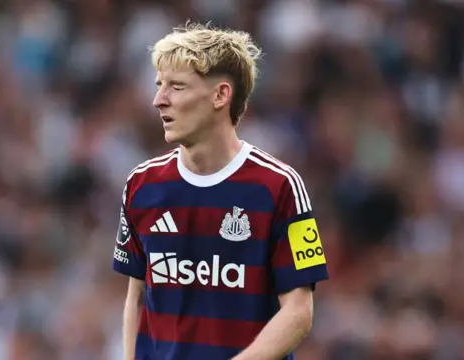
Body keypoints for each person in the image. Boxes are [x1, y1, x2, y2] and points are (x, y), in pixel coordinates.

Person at [112, 22, 329, 360]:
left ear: (221, 95)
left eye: (177, 87)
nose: (159, 100)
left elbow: (299, 312)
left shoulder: (280, 187)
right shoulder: (142, 185)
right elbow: (136, 297)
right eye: (159, 86)